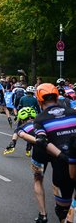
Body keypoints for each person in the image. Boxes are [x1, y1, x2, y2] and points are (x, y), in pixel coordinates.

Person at [33, 83, 76, 222]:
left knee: (63, 210)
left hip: (62, 164)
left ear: (39, 100)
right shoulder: (72, 112)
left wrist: (62, 156)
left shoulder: (40, 119)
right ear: (57, 97)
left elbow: (41, 141)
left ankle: (44, 215)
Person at [11, 107, 50, 223]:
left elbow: (20, 135)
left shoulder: (22, 127)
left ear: (22, 119)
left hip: (39, 152)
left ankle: (42, 214)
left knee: (38, 180)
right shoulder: (43, 122)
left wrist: (37, 141)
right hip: (53, 147)